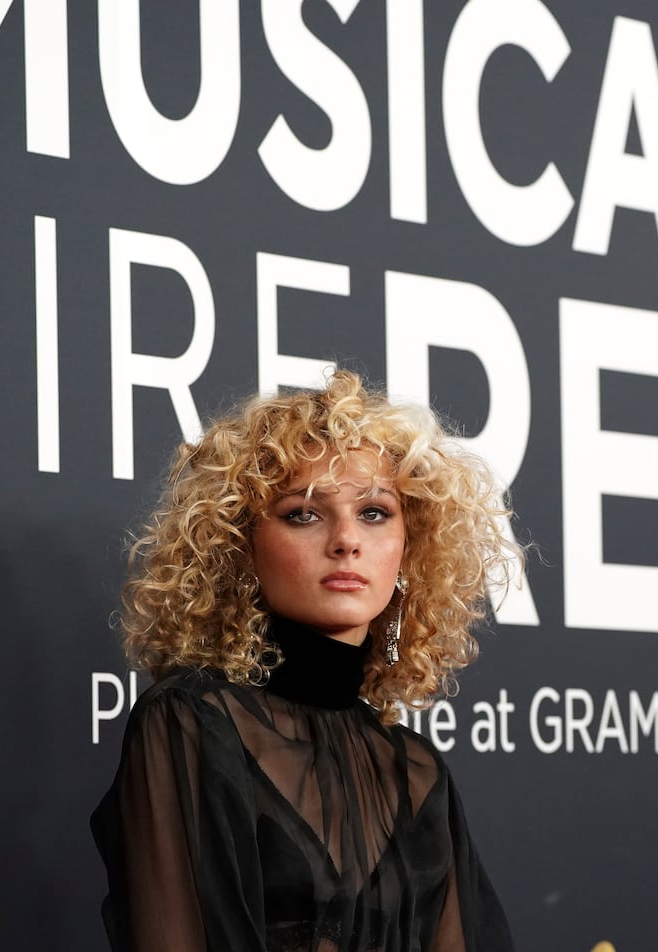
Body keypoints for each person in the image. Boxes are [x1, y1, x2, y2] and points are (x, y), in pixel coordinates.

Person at [91, 369, 522, 952]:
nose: (347, 540)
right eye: (303, 513)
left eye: (374, 513)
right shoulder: (192, 725)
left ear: (411, 544)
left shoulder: (417, 773)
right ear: (239, 546)